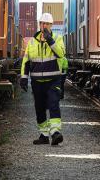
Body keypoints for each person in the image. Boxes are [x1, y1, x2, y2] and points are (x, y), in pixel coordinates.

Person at [19, 12, 67, 145]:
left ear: (51, 25)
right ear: (39, 24)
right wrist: (23, 77)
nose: (44, 25)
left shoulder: (57, 38)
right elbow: (26, 61)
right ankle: (44, 135)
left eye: (47, 24)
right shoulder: (32, 42)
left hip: (53, 80)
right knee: (39, 108)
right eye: (42, 23)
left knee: (53, 104)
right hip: (37, 82)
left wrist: (50, 41)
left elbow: (61, 54)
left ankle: (55, 133)